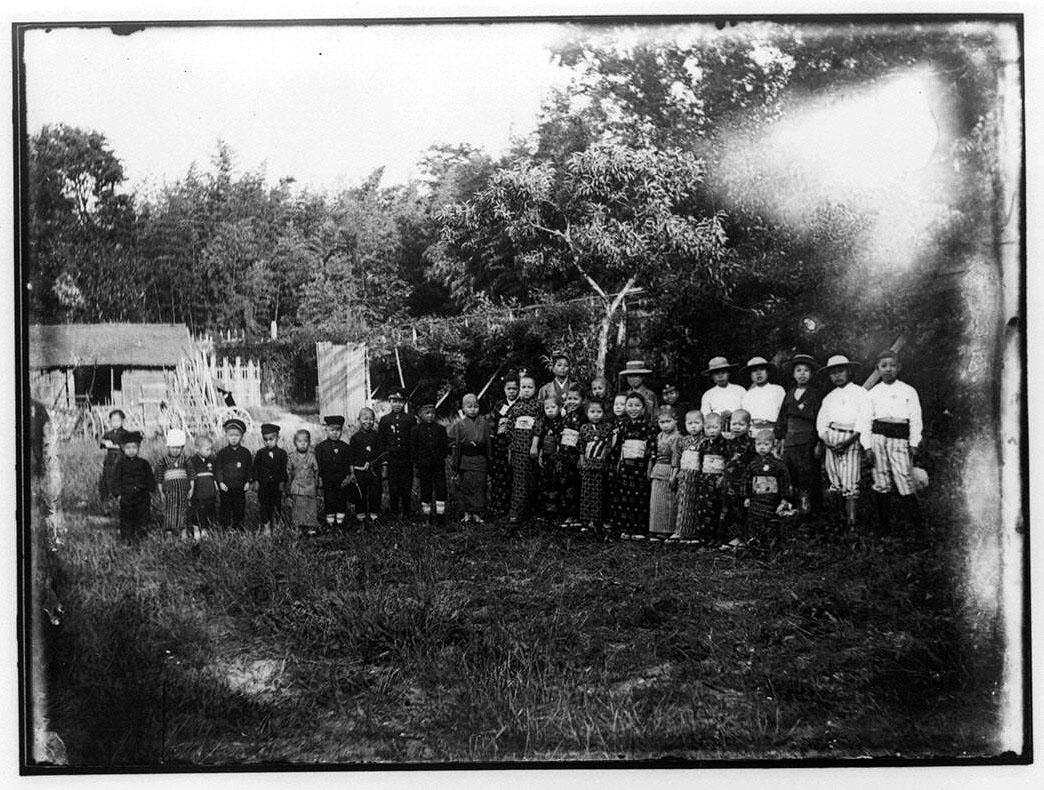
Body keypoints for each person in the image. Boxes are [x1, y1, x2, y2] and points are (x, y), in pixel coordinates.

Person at [860, 349, 924, 535]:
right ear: (877, 369)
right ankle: (884, 527)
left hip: (899, 438)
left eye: (892, 365)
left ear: (899, 367)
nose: (888, 369)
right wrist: (867, 446)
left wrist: (914, 442)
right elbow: (865, 421)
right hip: (878, 438)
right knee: (881, 478)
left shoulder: (908, 391)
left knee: (904, 477)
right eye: (884, 366)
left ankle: (917, 527)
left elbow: (916, 419)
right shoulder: (872, 393)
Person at [816, 354, 872, 530]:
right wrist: (826, 439)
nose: (837, 376)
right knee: (835, 478)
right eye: (833, 373)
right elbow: (821, 422)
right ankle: (838, 519)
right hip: (832, 438)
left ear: (849, 372)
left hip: (850, 438)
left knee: (850, 478)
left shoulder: (860, 393)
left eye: (840, 371)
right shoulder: (829, 397)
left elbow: (864, 420)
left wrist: (850, 440)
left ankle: (851, 522)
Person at [774, 353, 824, 517]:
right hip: (790, 441)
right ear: (793, 374)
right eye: (798, 370)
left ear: (811, 374)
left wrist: (818, 442)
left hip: (807, 440)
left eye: (806, 370)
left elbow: (820, 419)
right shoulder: (789, 394)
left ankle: (809, 509)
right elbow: (782, 418)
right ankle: (792, 507)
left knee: (807, 474)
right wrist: (780, 438)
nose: (802, 374)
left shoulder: (816, 394)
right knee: (791, 473)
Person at [611, 393, 656, 539]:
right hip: (625, 465)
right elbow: (618, 447)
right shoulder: (623, 425)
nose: (633, 409)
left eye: (637, 405)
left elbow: (652, 448)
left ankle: (638, 529)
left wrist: (650, 466)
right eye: (630, 405)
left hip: (640, 465)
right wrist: (617, 463)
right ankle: (625, 527)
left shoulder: (649, 426)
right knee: (624, 495)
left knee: (639, 496)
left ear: (643, 408)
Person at [742, 429, 794, 551]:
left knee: (771, 520)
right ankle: (755, 543)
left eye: (766, 444)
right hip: (756, 497)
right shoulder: (753, 464)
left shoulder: (779, 464)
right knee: (754, 519)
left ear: (773, 445)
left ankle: (772, 544)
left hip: (772, 498)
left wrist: (784, 498)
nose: (762, 447)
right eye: (759, 444)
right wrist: (746, 496)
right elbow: (746, 480)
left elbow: (784, 482)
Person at [448, 393, 490, 525]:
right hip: (465, 459)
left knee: (479, 486)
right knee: (465, 486)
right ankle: (466, 512)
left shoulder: (484, 423)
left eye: (475, 406)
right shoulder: (459, 424)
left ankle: (477, 513)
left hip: (480, 460)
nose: (473, 409)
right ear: (463, 408)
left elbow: (488, 444)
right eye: (469, 406)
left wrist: (489, 459)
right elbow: (451, 441)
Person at [506, 375, 543, 525]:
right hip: (518, 448)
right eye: (523, 387)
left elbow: (539, 426)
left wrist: (535, 445)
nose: (526, 390)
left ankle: (533, 510)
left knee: (533, 479)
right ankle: (516, 512)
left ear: (535, 389)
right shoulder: (516, 407)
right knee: (519, 480)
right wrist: (511, 448)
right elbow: (510, 428)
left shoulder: (538, 406)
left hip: (532, 447)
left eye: (530, 387)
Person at [692, 412, 730, 545]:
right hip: (705, 479)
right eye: (708, 428)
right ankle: (704, 537)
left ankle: (718, 538)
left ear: (721, 427)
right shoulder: (704, 444)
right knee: (704, 508)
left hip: (718, 480)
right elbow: (700, 462)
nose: (712, 431)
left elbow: (729, 462)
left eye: (715, 427)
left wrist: (724, 476)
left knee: (718, 508)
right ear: (704, 428)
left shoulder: (725, 444)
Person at [378, 388, 416, 519]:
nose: (397, 404)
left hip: (406, 459)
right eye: (394, 401)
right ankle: (393, 511)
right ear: (389, 401)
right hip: (392, 459)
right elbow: (382, 442)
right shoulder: (385, 420)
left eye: (400, 401)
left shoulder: (410, 419)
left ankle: (406, 512)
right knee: (393, 487)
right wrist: (384, 460)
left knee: (406, 486)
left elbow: (413, 440)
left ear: (404, 402)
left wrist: (413, 458)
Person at [722, 409, 757, 549]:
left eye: (741, 425)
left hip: (743, 483)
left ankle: (743, 538)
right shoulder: (729, 443)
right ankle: (729, 538)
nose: (736, 427)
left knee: (742, 510)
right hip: (729, 482)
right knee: (728, 509)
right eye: (734, 424)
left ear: (748, 426)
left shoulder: (752, 444)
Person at [578, 399, 613, 534]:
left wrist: (603, 457)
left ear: (604, 413)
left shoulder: (607, 428)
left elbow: (609, 445)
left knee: (598, 492)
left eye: (599, 411)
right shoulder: (584, 428)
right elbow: (581, 445)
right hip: (587, 463)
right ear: (587, 413)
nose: (596, 414)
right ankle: (586, 520)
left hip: (600, 464)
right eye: (592, 412)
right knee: (586, 491)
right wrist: (582, 460)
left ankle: (597, 520)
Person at [112, 430, 154, 544]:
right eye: (128, 447)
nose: (131, 450)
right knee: (127, 518)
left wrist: (150, 490)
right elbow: (116, 480)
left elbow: (149, 477)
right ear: (123, 448)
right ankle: (126, 538)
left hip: (142, 496)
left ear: (138, 448)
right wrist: (118, 494)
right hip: (127, 496)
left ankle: (141, 537)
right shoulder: (120, 464)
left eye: (134, 447)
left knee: (142, 517)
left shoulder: (144, 463)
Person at [669, 409, 705, 542]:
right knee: (682, 502)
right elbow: (676, 459)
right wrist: (673, 475)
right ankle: (679, 531)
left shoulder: (705, 441)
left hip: (698, 476)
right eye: (690, 423)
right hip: (684, 475)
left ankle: (693, 533)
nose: (693, 426)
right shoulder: (682, 441)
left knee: (696, 505)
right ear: (685, 424)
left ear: (703, 423)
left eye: (697, 423)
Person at [412, 402, 449, 526]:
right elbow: (414, 449)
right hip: (424, 466)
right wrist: (418, 463)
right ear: (421, 414)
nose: (430, 416)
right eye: (427, 413)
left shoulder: (441, 429)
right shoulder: (416, 430)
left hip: (438, 466)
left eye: (432, 413)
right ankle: (426, 516)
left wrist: (439, 457)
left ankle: (440, 515)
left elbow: (445, 447)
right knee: (426, 490)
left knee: (441, 489)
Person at [648, 405, 681, 539]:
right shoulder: (659, 436)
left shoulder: (677, 437)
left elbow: (676, 457)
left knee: (668, 501)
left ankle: (666, 529)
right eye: (662, 422)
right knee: (657, 501)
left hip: (669, 470)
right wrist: (651, 468)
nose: (665, 425)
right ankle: (655, 528)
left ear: (675, 420)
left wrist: (674, 475)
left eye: (668, 421)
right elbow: (654, 454)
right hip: (658, 469)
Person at [488, 375, 520, 516]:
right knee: (500, 475)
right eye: (509, 388)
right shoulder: (499, 405)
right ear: (504, 389)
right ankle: (499, 507)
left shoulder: (521, 404)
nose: (511, 391)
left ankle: (515, 507)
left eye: (514, 388)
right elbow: (492, 424)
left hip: (517, 444)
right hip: (500, 445)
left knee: (515, 476)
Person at [314, 415, 352, 531]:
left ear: (342, 430)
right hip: (328, 479)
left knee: (341, 499)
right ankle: (330, 522)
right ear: (326, 429)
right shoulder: (321, 447)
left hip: (341, 479)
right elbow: (318, 465)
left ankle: (340, 522)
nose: (335, 433)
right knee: (329, 499)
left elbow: (348, 463)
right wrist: (319, 478)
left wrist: (348, 477)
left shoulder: (345, 447)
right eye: (332, 430)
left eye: (338, 430)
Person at [215, 418, 253, 530]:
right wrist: (220, 482)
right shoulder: (222, 453)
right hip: (226, 487)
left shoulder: (245, 453)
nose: (234, 438)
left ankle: (238, 527)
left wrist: (248, 481)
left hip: (240, 486)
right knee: (225, 507)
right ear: (226, 436)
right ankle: (225, 527)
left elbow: (249, 468)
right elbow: (218, 469)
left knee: (239, 507)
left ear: (241, 436)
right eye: (231, 435)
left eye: (237, 435)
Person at [348, 408, 384, 527]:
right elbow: (351, 457)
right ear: (359, 420)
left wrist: (373, 463)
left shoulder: (377, 436)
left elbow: (381, 454)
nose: (368, 422)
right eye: (365, 419)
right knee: (360, 494)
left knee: (375, 493)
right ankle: (361, 518)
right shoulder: (355, 438)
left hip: (374, 471)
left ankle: (374, 517)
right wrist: (352, 472)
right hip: (360, 472)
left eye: (371, 419)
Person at [556, 385, 585, 526]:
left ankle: (575, 515)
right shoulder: (565, 416)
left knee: (575, 485)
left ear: (582, 400)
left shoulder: (584, 417)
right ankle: (565, 513)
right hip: (564, 454)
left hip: (575, 455)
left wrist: (581, 456)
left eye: (575, 399)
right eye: (569, 398)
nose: (572, 401)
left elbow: (583, 439)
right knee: (563, 483)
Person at [252, 423, 288, 535]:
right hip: (264, 485)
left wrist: (282, 481)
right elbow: (256, 468)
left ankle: (277, 525)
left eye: (271, 439)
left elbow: (284, 469)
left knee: (276, 504)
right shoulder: (260, 453)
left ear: (278, 438)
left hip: (276, 485)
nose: (268, 442)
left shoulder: (282, 453)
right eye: (265, 439)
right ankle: (266, 525)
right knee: (264, 505)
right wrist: (256, 481)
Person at [155, 429, 191, 539]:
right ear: (168, 447)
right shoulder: (163, 461)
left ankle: (183, 530)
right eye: (173, 447)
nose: (175, 450)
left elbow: (192, 475)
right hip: (169, 492)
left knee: (183, 510)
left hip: (183, 491)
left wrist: (191, 489)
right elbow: (159, 478)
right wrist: (161, 492)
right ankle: (169, 531)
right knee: (169, 511)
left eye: (178, 448)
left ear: (182, 448)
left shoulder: (186, 460)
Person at [535, 397, 564, 522]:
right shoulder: (544, 423)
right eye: (547, 408)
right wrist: (540, 454)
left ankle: (556, 512)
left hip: (556, 457)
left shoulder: (562, 422)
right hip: (546, 455)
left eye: (553, 407)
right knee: (544, 482)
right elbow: (541, 440)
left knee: (555, 482)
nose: (550, 410)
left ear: (560, 408)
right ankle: (544, 511)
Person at [739, 356, 786, 433]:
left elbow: (783, 413)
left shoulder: (777, 390)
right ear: (751, 375)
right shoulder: (748, 394)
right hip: (753, 431)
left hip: (773, 430)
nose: (758, 373)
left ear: (767, 372)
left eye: (761, 369)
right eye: (754, 371)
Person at [287, 429, 320, 535]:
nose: (302, 444)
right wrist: (288, 486)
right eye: (299, 441)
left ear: (309, 443)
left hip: (310, 486)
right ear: (295, 442)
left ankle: (311, 526)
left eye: (305, 441)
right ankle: (298, 526)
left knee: (311, 507)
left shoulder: (312, 456)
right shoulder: (291, 457)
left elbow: (316, 470)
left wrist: (317, 484)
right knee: (298, 507)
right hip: (297, 486)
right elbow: (288, 472)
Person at [700, 357, 746, 433]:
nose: (720, 376)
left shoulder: (740, 390)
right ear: (712, 377)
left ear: (728, 373)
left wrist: (734, 416)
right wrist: (720, 418)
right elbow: (705, 417)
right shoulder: (708, 394)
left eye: (723, 372)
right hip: (717, 431)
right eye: (716, 374)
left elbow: (747, 411)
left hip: (739, 428)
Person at [186, 435, 218, 539]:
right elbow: (190, 477)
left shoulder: (212, 460)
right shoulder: (192, 461)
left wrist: (216, 486)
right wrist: (190, 490)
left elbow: (214, 475)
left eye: (211, 449)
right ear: (197, 449)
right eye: (207, 449)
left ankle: (206, 529)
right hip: (197, 491)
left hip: (209, 491)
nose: (209, 452)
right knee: (197, 509)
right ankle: (196, 530)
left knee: (209, 509)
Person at [98, 408, 128, 504]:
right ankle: (107, 499)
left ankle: (119, 498)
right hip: (109, 459)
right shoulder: (109, 434)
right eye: (113, 421)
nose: (115, 423)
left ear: (122, 421)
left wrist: (114, 445)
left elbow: (126, 446)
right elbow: (101, 441)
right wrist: (105, 442)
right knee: (107, 477)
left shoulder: (125, 433)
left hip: (120, 458)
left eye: (117, 420)